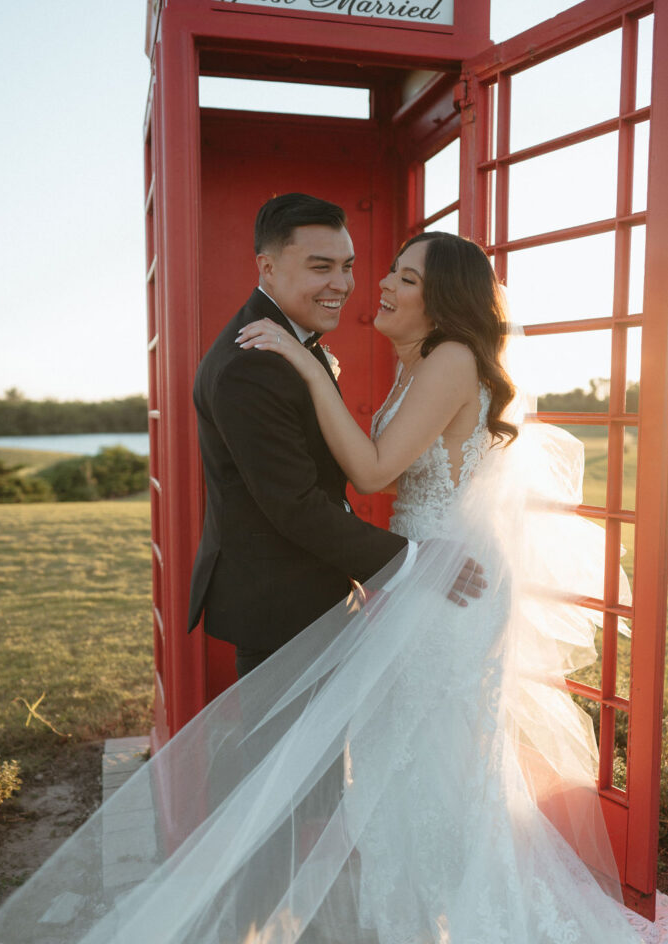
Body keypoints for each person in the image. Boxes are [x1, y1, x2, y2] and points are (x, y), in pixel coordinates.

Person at [0, 233, 667, 944]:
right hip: (421, 580)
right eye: (382, 270)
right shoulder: (426, 360)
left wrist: (307, 366)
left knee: (445, 771)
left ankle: (483, 937)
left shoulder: (447, 359)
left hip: (449, 591)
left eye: (402, 277)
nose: (376, 284)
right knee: (415, 764)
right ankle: (436, 927)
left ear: (441, 300)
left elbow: (374, 471)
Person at [188, 193, 482, 679]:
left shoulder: (290, 344)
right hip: (282, 607)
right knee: (285, 755)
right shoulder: (256, 362)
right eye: (321, 267)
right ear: (267, 266)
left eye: (347, 266)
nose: (343, 284)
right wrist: (412, 561)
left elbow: (352, 473)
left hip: (321, 592)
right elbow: (296, 505)